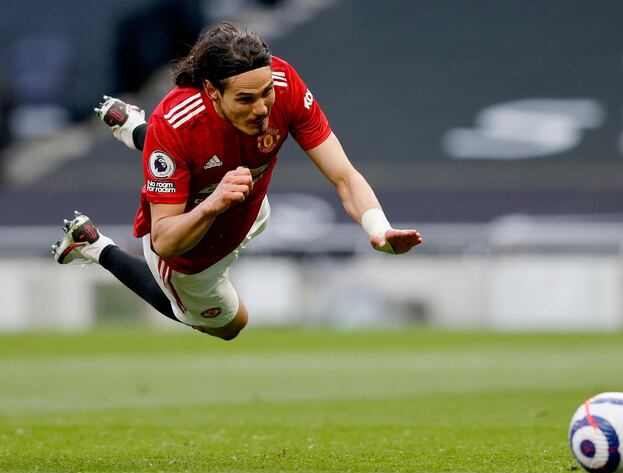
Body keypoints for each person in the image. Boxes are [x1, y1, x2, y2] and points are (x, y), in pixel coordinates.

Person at [52, 22, 422, 340]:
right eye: (245, 100)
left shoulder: (285, 85)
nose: (262, 109)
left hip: (252, 207)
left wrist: (378, 228)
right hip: (193, 249)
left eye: (266, 94)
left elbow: (344, 176)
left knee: (216, 171)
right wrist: (214, 203)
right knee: (230, 326)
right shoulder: (176, 125)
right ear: (212, 90)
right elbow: (164, 240)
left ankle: (134, 128)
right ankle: (94, 245)